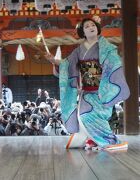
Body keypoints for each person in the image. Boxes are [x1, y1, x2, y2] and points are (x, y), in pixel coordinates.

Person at [45, 16, 130, 151]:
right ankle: (93, 139)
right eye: (87, 26)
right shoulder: (79, 50)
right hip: (87, 90)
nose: (91, 28)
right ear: (83, 32)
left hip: (102, 89)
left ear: (97, 28)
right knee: (84, 115)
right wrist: (53, 61)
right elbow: (67, 63)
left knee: (99, 116)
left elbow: (114, 63)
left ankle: (110, 141)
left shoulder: (106, 47)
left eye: (93, 25)